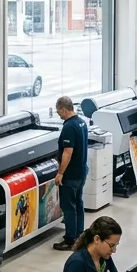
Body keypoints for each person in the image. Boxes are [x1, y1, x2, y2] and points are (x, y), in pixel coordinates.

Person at [53, 96, 89, 251]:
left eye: (58, 111)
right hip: (81, 171)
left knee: (68, 206)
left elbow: (67, 152)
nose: (58, 114)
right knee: (78, 203)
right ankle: (79, 235)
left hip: (71, 174)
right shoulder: (81, 122)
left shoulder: (69, 127)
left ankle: (70, 239)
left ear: (63, 109)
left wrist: (60, 173)